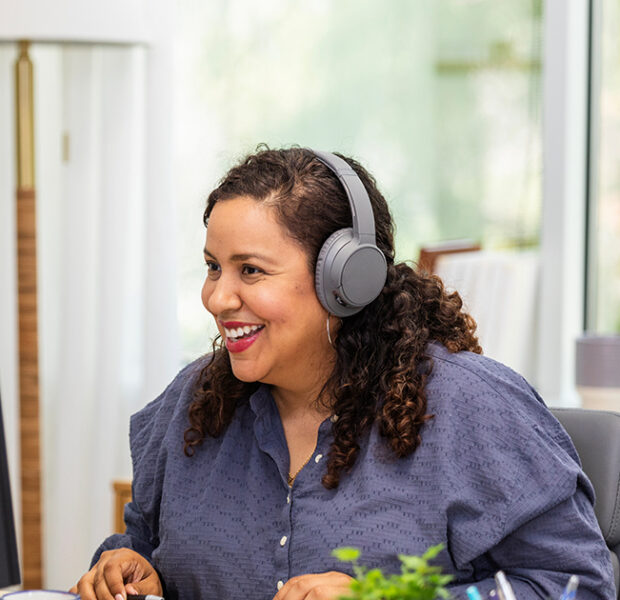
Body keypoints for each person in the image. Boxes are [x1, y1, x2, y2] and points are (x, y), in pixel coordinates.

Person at [71, 147, 615, 600]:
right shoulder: (194, 400)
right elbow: (144, 540)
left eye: (251, 270)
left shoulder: (471, 408)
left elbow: (575, 587)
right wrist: (132, 568)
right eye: (214, 266)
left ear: (345, 281)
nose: (217, 297)